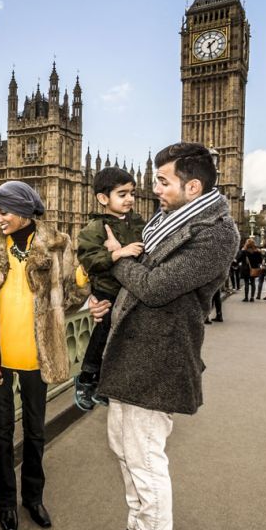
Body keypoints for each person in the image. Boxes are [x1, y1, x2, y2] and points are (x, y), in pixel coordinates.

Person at [89, 143, 239, 530]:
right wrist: (109, 300)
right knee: (124, 446)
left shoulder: (214, 232)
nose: (153, 190)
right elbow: (144, 282)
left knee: (145, 458)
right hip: (133, 350)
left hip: (159, 355)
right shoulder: (168, 220)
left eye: (162, 181)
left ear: (192, 186)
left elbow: (154, 287)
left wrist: (117, 261)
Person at [0, 180, 84, 530]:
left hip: (37, 351)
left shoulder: (58, 245)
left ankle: (33, 497)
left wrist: (85, 276)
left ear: (24, 210)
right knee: (1, 433)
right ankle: (4, 502)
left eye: (3, 211)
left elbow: (72, 299)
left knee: (35, 431)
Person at [73, 167, 146, 411]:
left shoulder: (138, 223)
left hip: (132, 290)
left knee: (122, 340)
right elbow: (90, 261)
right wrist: (118, 253)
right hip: (107, 290)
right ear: (103, 199)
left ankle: (105, 384)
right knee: (104, 332)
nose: (130, 199)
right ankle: (85, 379)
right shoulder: (94, 228)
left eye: (131, 193)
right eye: (122, 194)